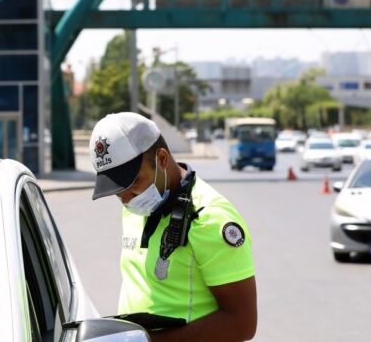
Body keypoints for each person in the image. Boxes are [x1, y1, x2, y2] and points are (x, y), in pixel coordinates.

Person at [89, 112, 257, 341]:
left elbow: (242, 322)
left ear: (162, 159)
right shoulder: (135, 206)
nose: (125, 196)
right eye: (117, 189)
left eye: (133, 182)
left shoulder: (210, 218)